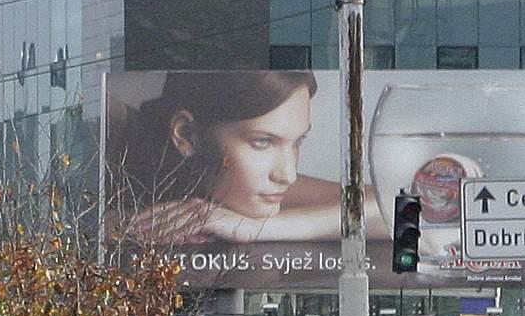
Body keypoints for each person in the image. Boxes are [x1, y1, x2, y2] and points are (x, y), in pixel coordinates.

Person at [112, 70, 374, 247]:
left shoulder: (241, 185)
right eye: (262, 142)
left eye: (298, 142)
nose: (287, 175)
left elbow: (397, 211)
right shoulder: (110, 132)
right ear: (186, 135)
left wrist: (253, 229)